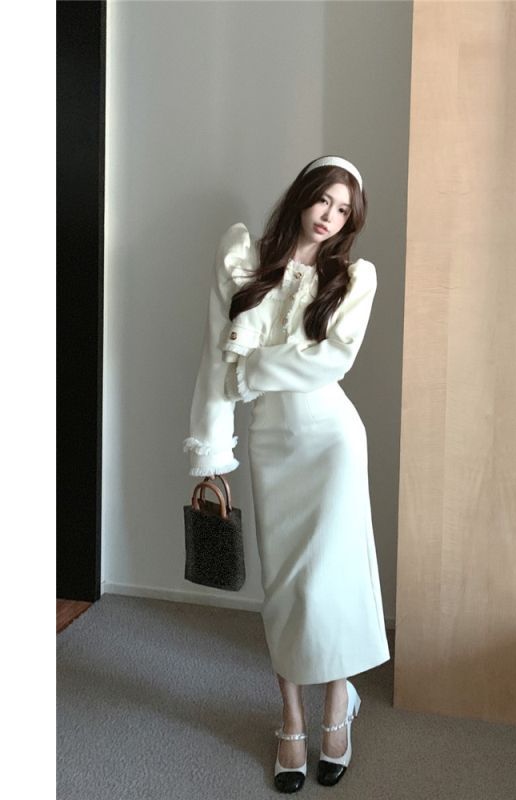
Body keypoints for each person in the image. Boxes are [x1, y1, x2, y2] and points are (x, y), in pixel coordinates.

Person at [183, 155, 391, 793]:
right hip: (272, 444)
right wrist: (211, 450)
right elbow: (213, 360)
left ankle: (337, 704)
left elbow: (333, 361)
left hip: (332, 441)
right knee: (286, 587)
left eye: (344, 210)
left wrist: (251, 369)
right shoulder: (242, 258)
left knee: (329, 580)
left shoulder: (353, 278)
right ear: (303, 196)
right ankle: (292, 718)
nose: (330, 216)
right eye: (324, 200)